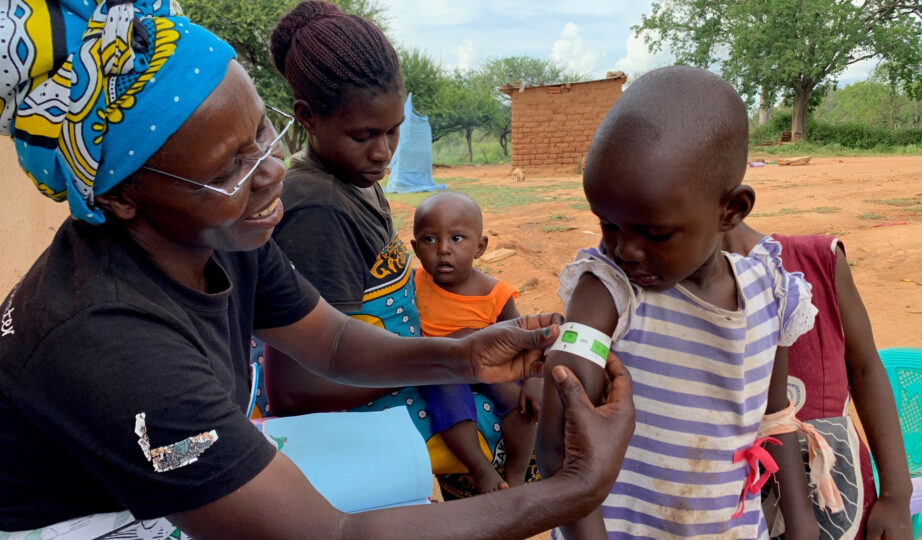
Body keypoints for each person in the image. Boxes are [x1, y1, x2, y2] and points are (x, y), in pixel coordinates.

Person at [0, 2, 637, 537]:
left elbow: (330, 339)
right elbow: (329, 534)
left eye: (262, 133)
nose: (271, 170)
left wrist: (464, 357)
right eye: (229, 168)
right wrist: (575, 489)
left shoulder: (220, 235)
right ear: (118, 197)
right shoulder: (112, 343)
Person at [535, 66, 822, 539]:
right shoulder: (608, 291)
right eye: (608, 224)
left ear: (731, 209)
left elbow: (776, 418)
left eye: (656, 233)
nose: (625, 250)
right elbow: (556, 442)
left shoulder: (771, 293)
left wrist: (802, 524)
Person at [262, 1, 510, 489]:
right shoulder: (317, 208)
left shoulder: (357, 180)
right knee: (499, 432)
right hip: (359, 411)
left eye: (393, 131)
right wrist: (443, 352)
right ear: (307, 118)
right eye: (364, 135)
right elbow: (297, 389)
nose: (383, 152)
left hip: (389, 376)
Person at [723, 223, 913, 539]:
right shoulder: (661, 290)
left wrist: (897, 494)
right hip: (724, 505)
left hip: (837, 493)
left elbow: (866, 368)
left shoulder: (817, 263)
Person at [410, 192, 541, 492]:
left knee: (517, 401)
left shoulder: (495, 293)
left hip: (487, 367)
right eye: (430, 240)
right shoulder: (414, 283)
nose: (443, 250)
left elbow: (524, 340)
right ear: (416, 249)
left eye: (457, 238)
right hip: (443, 369)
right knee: (448, 400)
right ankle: (481, 470)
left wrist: (535, 379)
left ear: (480, 247)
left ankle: (516, 474)